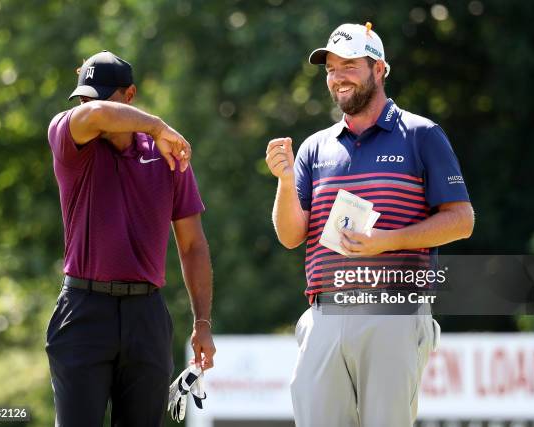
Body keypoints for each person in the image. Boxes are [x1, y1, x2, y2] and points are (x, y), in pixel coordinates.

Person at [266, 23, 474, 426]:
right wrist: (285, 181)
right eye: (330, 68)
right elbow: (291, 236)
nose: (337, 76)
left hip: (394, 311)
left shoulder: (421, 134)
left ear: (379, 69)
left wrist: (387, 241)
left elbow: (461, 220)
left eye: (349, 65)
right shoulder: (315, 147)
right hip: (324, 313)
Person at [45, 50, 216, 427]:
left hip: (146, 315)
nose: (89, 106)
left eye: (101, 96)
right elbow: (95, 116)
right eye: (84, 98)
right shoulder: (69, 138)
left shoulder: (166, 156)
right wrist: (156, 125)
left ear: (130, 95)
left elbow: (192, 245)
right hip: (83, 310)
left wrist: (202, 322)